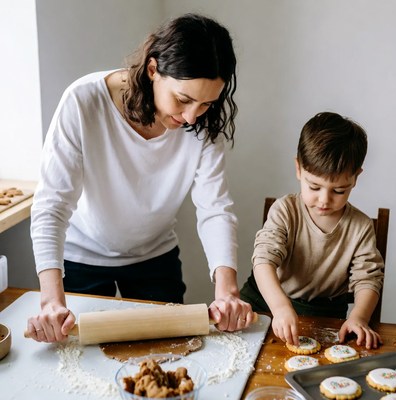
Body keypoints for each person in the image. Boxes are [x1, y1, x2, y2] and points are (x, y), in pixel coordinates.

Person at [27, 13, 254, 343]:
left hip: (155, 258)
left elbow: (214, 209)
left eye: (206, 103)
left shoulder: (204, 124)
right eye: (183, 99)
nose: (192, 116)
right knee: (74, 357)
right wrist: (51, 301)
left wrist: (227, 291)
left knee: (167, 355)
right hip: (81, 257)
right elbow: (51, 206)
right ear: (152, 70)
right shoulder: (83, 102)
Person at [240, 111, 384, 350]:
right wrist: (280, 307)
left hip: (325, 311)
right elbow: (263, 262)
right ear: (299, 169)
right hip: (265, 300)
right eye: (314, 186)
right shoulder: (285, 210)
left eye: (339, 191)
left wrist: (358, 317)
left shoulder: (360, 227)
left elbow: (368, 279)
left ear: (356, 177)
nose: (324, 200)